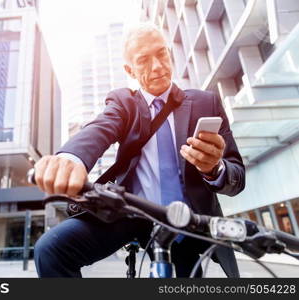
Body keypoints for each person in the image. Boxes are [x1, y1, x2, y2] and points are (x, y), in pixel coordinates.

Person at [33, 23, 245, 277]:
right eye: (144, 60)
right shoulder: (125, 103)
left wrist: (214, 169)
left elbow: (237, 179)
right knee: (51, 249)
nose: (156, 66)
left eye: (161, 53)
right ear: (129, 70)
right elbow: (100, 128)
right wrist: (70, 158)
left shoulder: (205, 102)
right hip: (131, 216)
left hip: (188, 221)